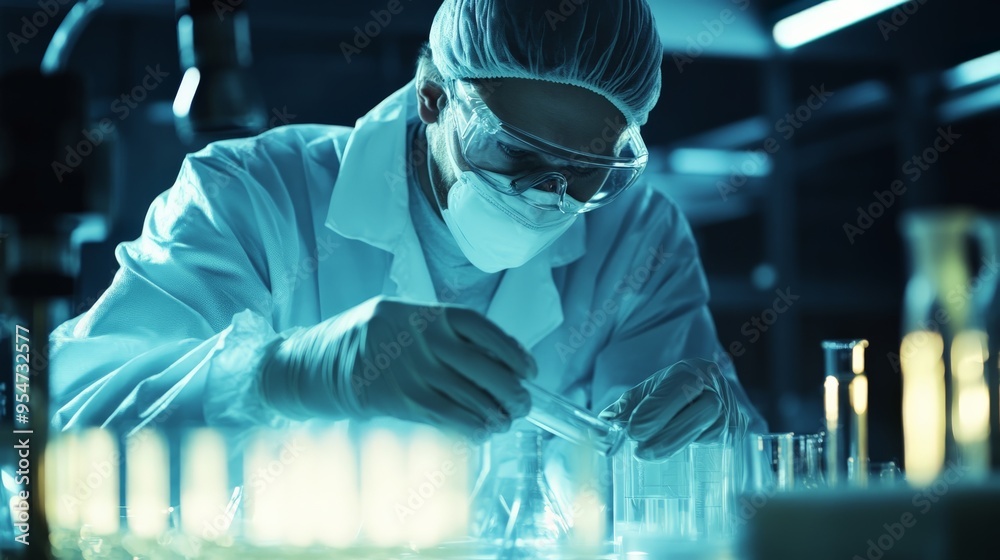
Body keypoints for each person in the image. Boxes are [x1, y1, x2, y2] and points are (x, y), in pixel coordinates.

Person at [50, 0, 765, 467]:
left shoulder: (636, 238)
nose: (551, 196)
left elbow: (678, 495)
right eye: (517, 156)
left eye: (585, 172)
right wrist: (283, 374)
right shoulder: (254, 197)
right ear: (433, 98)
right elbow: (58, 432)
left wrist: (719, 436)